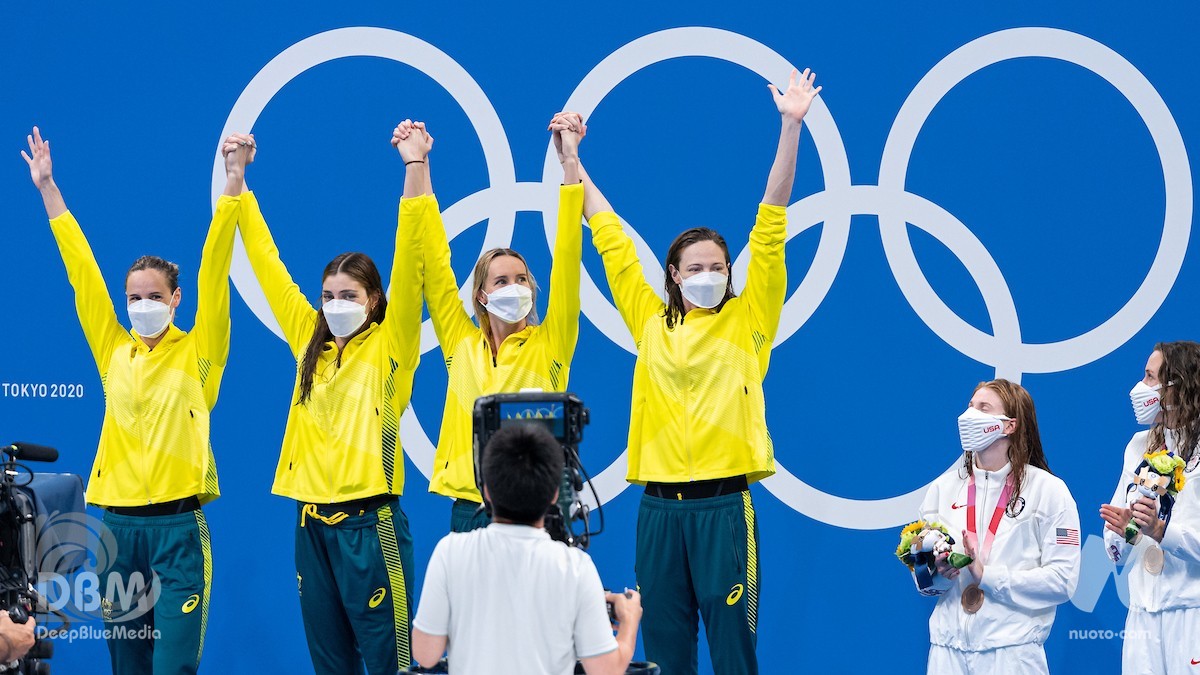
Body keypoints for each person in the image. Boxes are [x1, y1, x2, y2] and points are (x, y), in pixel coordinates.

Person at [573, 69, 820, 674]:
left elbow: (772, 217)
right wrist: (571, 159)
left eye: (718, 265)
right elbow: (607, 234)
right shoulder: (648, 322)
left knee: (734, 656)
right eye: (695, 266)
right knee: (664, 657)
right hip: (657, 512)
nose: (709, 273)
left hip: (723, 511)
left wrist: (791, 126)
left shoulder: (748, 320)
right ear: (674, 277)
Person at [22, 126, 244, 674]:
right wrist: (49, 189)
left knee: (172, 667)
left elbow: (216, 273)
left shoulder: (200, 351)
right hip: (117, 531)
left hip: (178, 531)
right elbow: (82, 274)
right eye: (133, 297)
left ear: (175, 299)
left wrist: (234, 185)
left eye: (153, 296)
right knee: (127, 667)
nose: (142, 305)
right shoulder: (112, 350)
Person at [235, 123, 429, 674]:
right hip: (309, 527)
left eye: (349, 295)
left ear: (374, 300)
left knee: (391, 666)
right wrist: (240, 183)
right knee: (329, 666)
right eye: (328, 295)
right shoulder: (308, 342)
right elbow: (268, 267)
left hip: (373, 528)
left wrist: (414, 168)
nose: (335, 303)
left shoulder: (394, 344)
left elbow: (410, 255)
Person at [402, 116, 583, 532]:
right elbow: (432, 258)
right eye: (501, 280)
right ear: (481, 295)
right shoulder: (460, 343)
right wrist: (418, 166)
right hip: (469, 509)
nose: (515, 286)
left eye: (522, 279)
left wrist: (569, 164)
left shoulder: (553, 342)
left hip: (534, 511)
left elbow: (569, 258)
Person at [411, 423, 643, 675]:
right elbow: (606, 669)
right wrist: (629, 619)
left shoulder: (450, 553)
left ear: (486, 490)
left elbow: (425, 653)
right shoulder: (575, 567)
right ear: (555, 493)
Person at [922, 379, 1080, 675]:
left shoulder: (1048, 491)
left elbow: (1063, 581)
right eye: (970, 406)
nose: (969, 416)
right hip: (946, 653)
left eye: (984, 408)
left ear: (1009, 426)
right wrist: (936, 573)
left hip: (1011, 654)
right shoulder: (942, 489)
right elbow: (927, 586)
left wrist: (987, 576)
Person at [1100, 341, 1200, 674]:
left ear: (1179, 386)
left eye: (1149, 376)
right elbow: (1114, 540)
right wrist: (1126, 531)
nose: (1140, 387)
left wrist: (1162, 532)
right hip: (1142, 614)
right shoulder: (1139, 445)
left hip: (1192, 613)